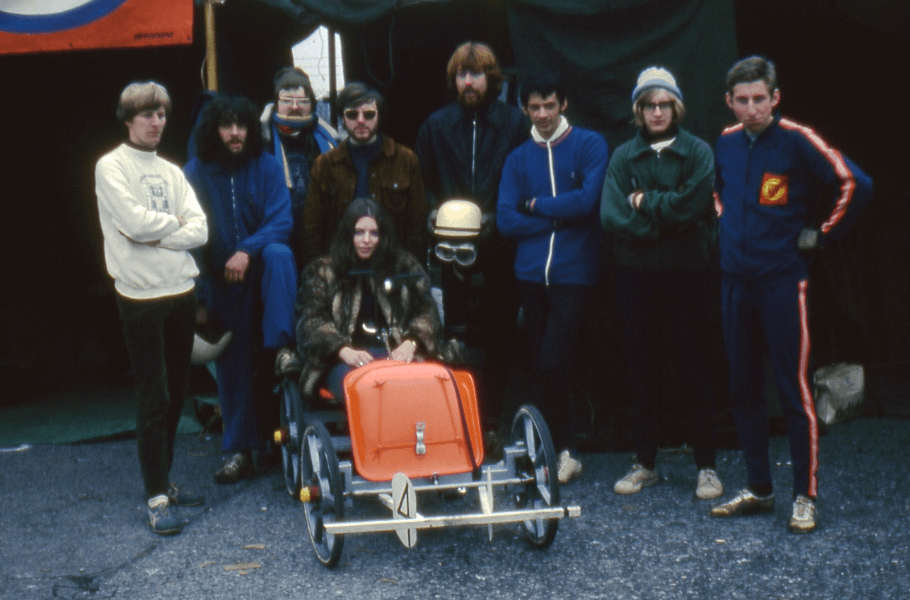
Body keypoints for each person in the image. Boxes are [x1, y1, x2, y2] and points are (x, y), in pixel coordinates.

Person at [710, 56, 872, 533]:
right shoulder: (726, 141)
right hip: (734, 283)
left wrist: (822, 233)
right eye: (743, 100)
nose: (752, 108)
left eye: (761, 99)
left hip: (782, 282)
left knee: (793, 390)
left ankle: (805, 495)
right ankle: (760, 489)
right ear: (729, 101)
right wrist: (725, 221)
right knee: (742, 388)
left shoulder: (798, 140)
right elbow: (718, 191)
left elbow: (855, 183)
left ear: (775, 98)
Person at [601, 67, 723, 500]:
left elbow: (692, 208)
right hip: (635, 277)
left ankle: (706, 466)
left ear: (676, 107)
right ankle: (645, 463)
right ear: (639, 110)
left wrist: (646, 205)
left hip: (688, 276)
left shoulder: (698, 152)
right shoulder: (622, 157)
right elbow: (613, 217)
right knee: (641, 369)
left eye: (664, 104)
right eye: (649, 105)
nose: (657, 112)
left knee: (694, 367)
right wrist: (663, 220)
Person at [95, 81, 208, 535]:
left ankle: (166, 479)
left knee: (177, 393)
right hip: (139, 298)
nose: (155, 122)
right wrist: (169, 227)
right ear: (128, 119)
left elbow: (199, 230)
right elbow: (132, 223)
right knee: (154, 397)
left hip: (181, 291)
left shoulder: (172, 171)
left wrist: (157, 232)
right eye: (146, 115)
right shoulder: (111, 166)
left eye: (161, 114)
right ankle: (156, 497)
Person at [497, 75, 608, 484]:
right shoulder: (517, 158)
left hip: (573, 272)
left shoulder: (589, 144)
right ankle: (551, 446)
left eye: (549, 105)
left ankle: (565, 449)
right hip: (529, 274)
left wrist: (537, 206)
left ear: (563, 104)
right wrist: (557, 220)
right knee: (543, 364)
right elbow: (506, 220)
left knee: (553, 360)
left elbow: (587, 203)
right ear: (525, 110)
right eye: (534, 107)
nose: (542, 115)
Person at [184, 95, 298, 484]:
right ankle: (240, 451)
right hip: (221, 281)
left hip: (263, 275)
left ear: (251, 129)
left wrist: (247, 251)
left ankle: (282, 347)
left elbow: (281, 220)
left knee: (280, 252)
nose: (235, 133)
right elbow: (187, 239)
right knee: (232, 366)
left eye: (241, 125)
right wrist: (199, 298)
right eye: (226, 125)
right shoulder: (196, 172)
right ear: (214, 131)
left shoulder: (266, 166)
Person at [415, 41, 529, 429]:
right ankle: (456, 421)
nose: (469, 81)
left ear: (490, 79)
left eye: (476, 74)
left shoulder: (516, 123)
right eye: (462, 74)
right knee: (453, 335)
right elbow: (424, 178)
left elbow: (525, 177)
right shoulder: (436, 125)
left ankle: (493, 418)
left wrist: (500, 217)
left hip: (500, 243)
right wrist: (433, 212)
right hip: (450, 248)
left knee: (500, 334)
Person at [296, 198, 443, 400]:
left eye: (374, 233)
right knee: (369, 392)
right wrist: (343, 350)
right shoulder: (322, 271)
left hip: (396, 357)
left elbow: (427, 312)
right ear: (348, 234)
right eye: (359, 232)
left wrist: (411, 343)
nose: (367, 240)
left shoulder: (404, 267)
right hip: (344, 362)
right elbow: (311, 322)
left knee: (425, 386)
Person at [302, 83, 427, 267]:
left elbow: (417, 228)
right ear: (342, 118)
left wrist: (410, 273)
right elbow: (311, 229)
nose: (360, 120)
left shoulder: (406, 161)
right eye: (352, 114)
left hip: (390, 266)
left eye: (369, 114)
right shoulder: (324, 166)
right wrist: (319, 274)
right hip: (340, 268)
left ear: (379, 116)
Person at [261, 67, 337, 267]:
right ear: (276, 103)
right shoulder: (260, 140)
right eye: (287, 101)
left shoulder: (329, 140)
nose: (295, 107)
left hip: (319, 237)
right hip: (276, 237)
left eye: (302, 101)